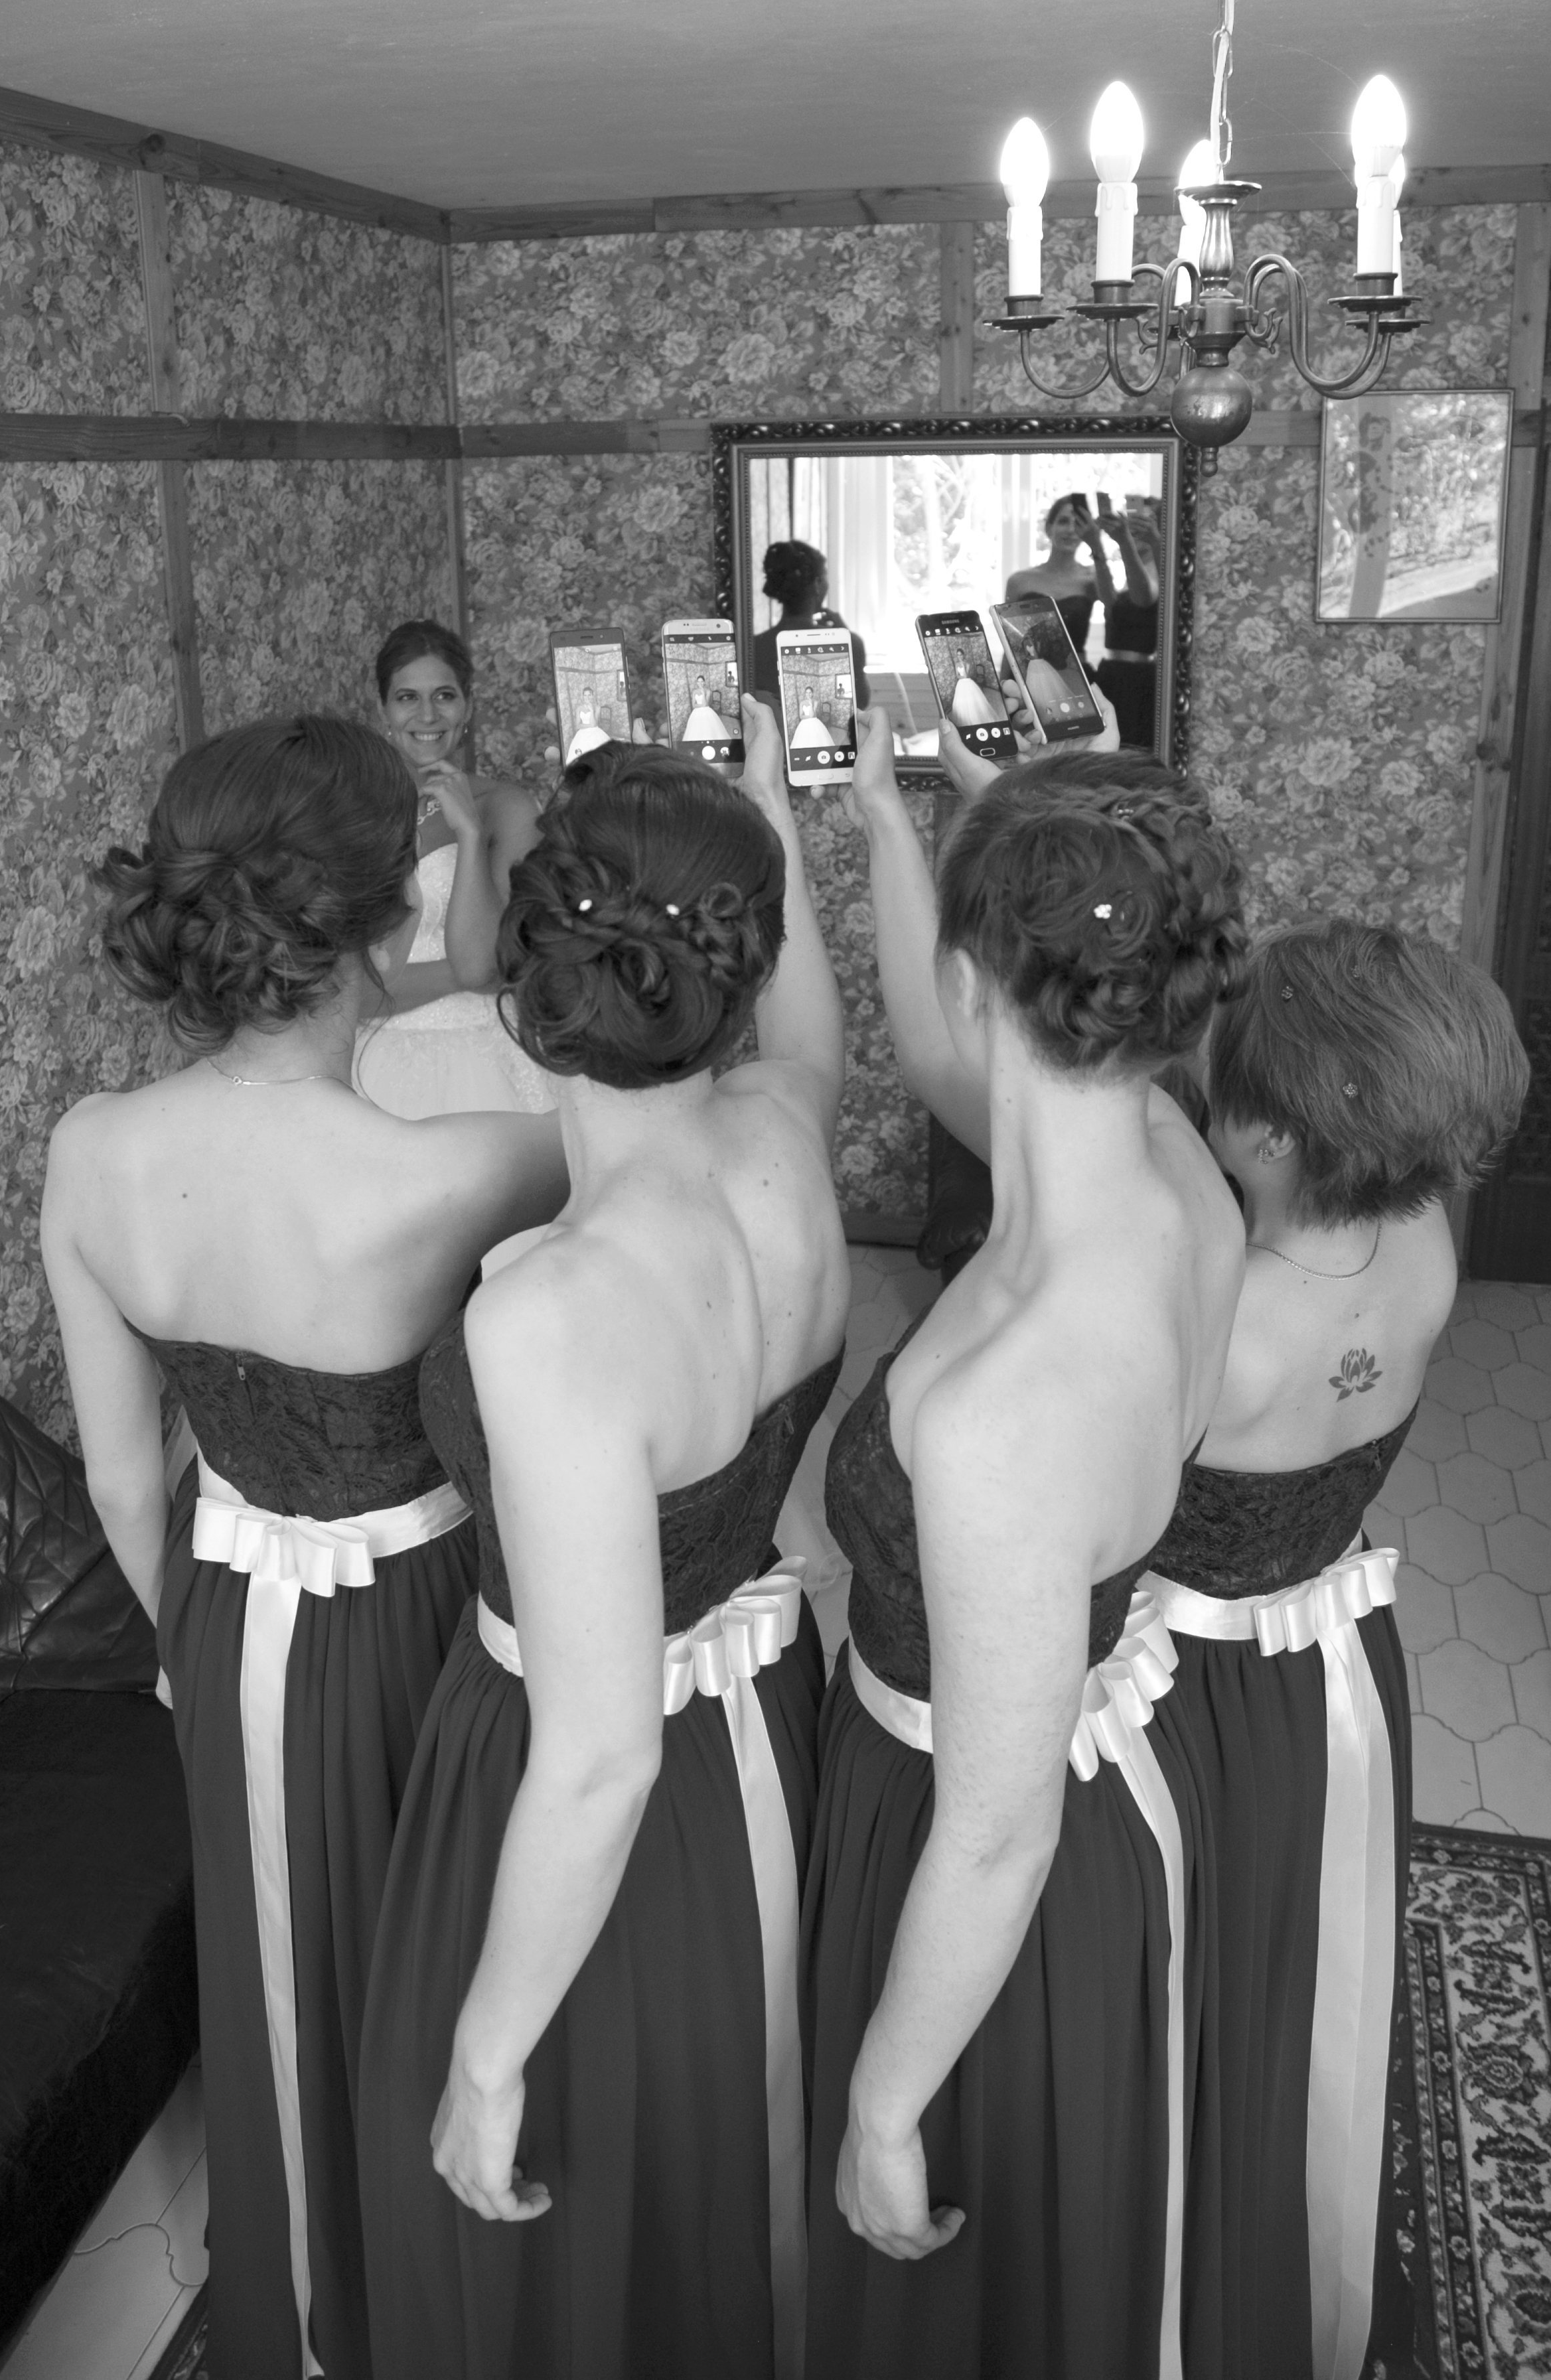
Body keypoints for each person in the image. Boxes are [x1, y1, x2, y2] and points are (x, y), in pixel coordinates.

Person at [40, 716, 571, 2380]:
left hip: (220, 1607)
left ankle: (316, 2311)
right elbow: (662, 1124)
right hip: (419, 1610)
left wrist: (188, 1646)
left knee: (281, 1965)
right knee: (444, 1948)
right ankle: (456, 2288)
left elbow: (122, 1476)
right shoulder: (457, 1170)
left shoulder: (91, 1150)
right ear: (390, 905)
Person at [358, 698, 850, 2380]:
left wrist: (487, 2052)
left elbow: (598, 1756)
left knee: (582, 2206)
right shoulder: (792, 1129)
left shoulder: (555, 1313)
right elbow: (811, 1018)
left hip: (597, 1783)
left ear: (522, 974)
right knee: (726, 2147)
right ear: (737, 965)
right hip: (771, 1720)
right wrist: (768, 807)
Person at [804, 713, 1250, 2380]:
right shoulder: (1175, 1171)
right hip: (1072, 1768)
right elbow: (958, 1061)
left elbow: (992, 1838)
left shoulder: (1010, 1406)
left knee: (962, 2315)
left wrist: (882, 2101)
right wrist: (897, 824)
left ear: (982, 976)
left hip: (982, 1852)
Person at [1136, 920, 1530, 2380]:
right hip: (1337, 1668)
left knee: (1172, 1988)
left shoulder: (1209, 1313)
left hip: (1175, 1692)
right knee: (1298, 1972)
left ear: (1269, 1130)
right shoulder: (1423, 1245)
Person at [356, 620, 554, 1119]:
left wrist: (468, 833)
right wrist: (468, 974)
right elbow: (346, 988)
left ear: (467, 707)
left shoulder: (507, 808)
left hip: (486, 1056)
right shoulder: (351, 815)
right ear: (383, 709)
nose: (427, 715)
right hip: (368, 1057)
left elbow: (500, 964)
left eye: (444, 696)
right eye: (407, 697)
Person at [751, 539, 871, 711]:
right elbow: (860, 704)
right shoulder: (849, 644)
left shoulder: (753, 648)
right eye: (825, 576)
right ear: (817, 584)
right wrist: (845, 638)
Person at [1092, 505, 1163, 750]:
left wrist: (1125, 543)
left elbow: (1144, 598)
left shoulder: (1160, 571)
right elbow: (1109, 603)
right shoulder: (1131, 573)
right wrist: (1095, 545)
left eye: (1144, 523)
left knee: (1131, 749)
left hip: (1137, 681)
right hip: (1112, 674)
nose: (1134, 530)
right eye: (1132, 524)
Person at [1004, 494, 1101, 658]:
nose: (1071, 530)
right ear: (1049, 528)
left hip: (1078, 670)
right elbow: (1011, 645)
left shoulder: (1092, 579)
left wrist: (1097, 545)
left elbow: (1115, 612)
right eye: (1063, 522)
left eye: (1078, 524)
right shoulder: (1019, 581)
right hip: (1031, 670)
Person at [945, 648, 1007, 730]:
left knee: (973, 701)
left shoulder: (967, 663)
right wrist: (961, 675)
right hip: (961, 683)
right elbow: (958, 676)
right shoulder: (957, 664)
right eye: (958, 655)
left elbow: (966, 675)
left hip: (968, 681)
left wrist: (963, 666)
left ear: (963, 655)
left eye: (961, 655)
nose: (959, 656)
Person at [563, 686, 612, 763]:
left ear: (592, 696)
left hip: (595, 732)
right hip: (583, 733)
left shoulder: (597, 707)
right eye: (585, 695)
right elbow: (578, 726)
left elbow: (595, 723)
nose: (587, 698)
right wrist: (590, 726)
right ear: (583, 697)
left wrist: (592, 711)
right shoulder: (579, 708)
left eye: (589, 695)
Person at [682, 672, 731, 741]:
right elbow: (694, 705)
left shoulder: (708, 691)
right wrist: (702, 705)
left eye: (702, 681)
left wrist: (703, 693)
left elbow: (705, 704)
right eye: (698, 682)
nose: (700, 683)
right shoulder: (694, 692)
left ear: (704, 682)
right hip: (697, 712)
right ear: (697, 683)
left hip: (707, 711)